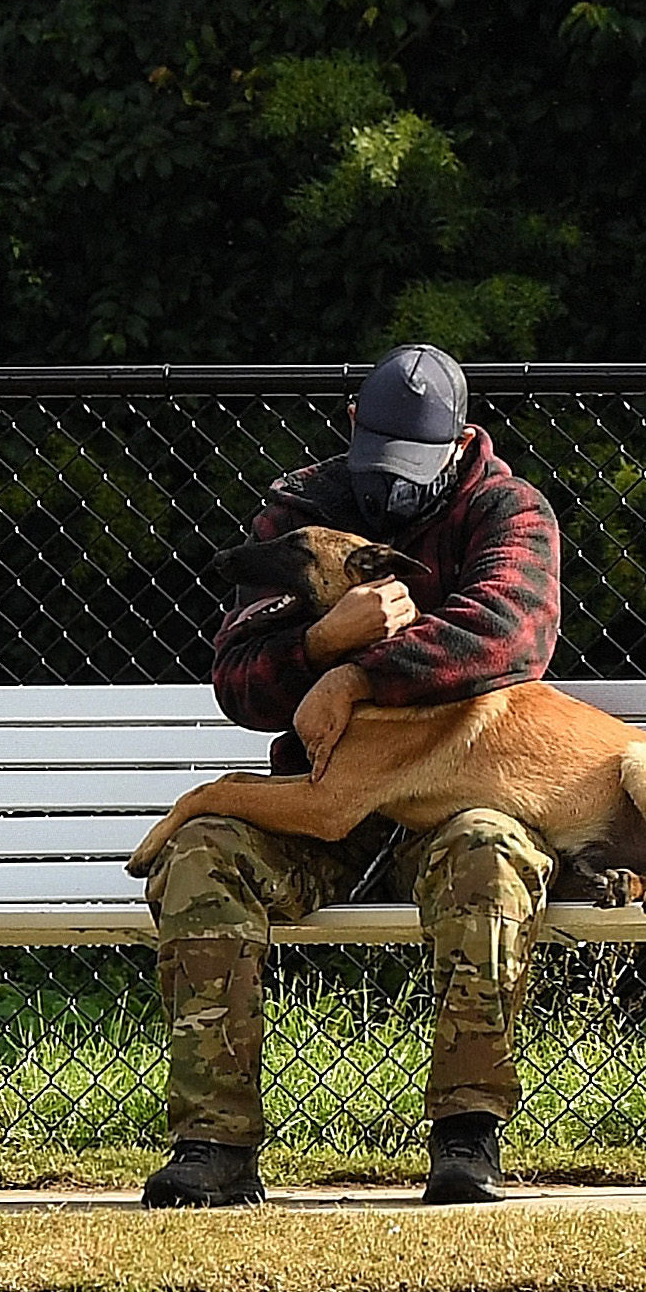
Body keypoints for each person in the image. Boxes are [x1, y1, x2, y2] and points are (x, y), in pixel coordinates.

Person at [139, 344, 567, 1208]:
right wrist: (321, 642)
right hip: (318, 800)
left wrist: (360, 673)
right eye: (377, 465)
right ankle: (211, 1146)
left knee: (490, 851)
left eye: (413, 471)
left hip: (449, 798)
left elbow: (508, 639)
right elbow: (240, 678)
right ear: (350, 431)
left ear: (458, 445)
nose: (391, 489)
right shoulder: (301, 511)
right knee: (203, 850)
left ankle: (465, 1136)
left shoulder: (505, 511)